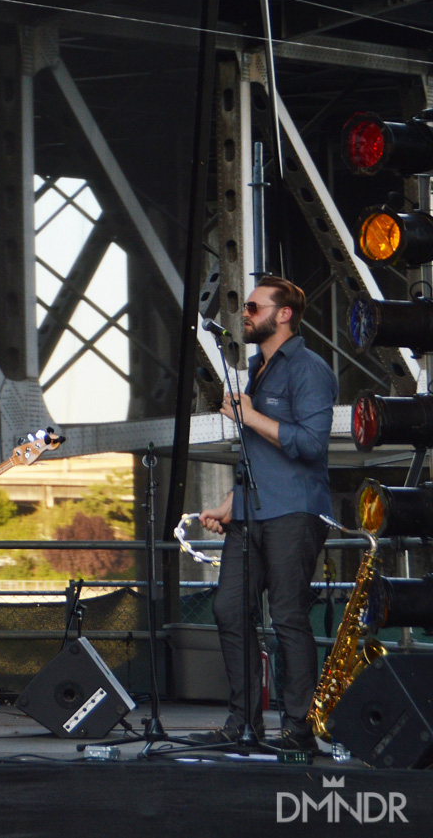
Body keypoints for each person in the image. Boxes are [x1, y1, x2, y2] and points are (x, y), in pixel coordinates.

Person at [195, 275, 334, 753]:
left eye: (254, 308)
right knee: (229, 608)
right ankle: (244, 722)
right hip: (252, 514)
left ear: (284, 314)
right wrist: (230, 505)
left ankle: (298, 729)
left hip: (294, 512)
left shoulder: (309, 369)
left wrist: (249, 415)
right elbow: (257, 456)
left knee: (290, 618)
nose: (246, 315)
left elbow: (312, 444)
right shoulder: (256, 369)